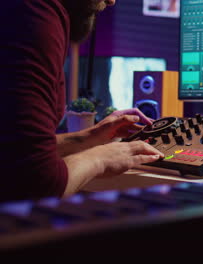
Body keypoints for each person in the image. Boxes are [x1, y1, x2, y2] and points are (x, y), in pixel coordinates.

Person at [0, 0, 164, 202]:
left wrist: (87, 138)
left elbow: (12, 153)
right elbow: (37, 183)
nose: (112, 1)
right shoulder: (33, 13)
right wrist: (101, 158)